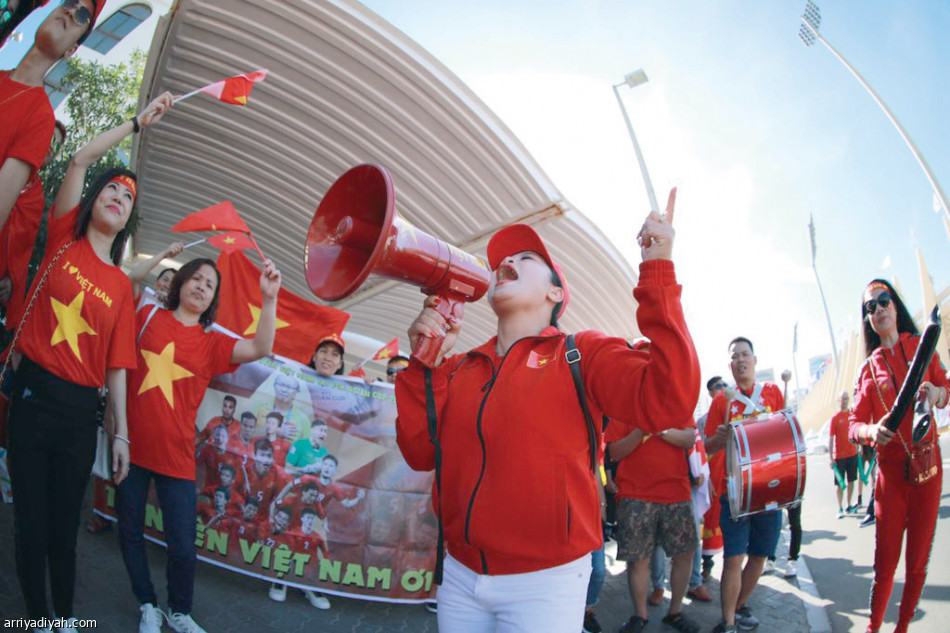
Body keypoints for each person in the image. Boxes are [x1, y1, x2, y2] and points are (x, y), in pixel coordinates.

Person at [395, 209, 699, 633]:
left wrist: (658, 270)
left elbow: (672, 400)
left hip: (546, 583)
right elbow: (419, 452)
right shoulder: (460, 366)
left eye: (528, 258)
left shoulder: (582, 354)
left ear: (556, 294)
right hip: (460, 575)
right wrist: (423, 365)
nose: (510, 262)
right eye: (506, 259)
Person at [5, 89, 172, 632]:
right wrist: (135, 124)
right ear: (95, 199)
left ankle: (64, 620)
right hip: (32, 397)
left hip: (80, 414)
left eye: (129, 198)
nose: (119, 197)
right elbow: (77, 159)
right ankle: (36, 621)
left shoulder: (121, 286)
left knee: (62, 530)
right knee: (30, 527)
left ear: (126, 223)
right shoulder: (63, 237)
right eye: (113, 189)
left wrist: (120, 434)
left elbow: (118, 365)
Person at [116, 255, 281, 633]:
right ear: (180, 283)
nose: (202, 286)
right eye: (196, 278)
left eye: (210, 284)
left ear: (212, 300)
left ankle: (179, 611)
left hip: (176, 458)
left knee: (183, 547)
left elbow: (260, 348)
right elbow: (125, 296)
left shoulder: (212, 343)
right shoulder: (148, 317)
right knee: (128, 531)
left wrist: (269, 298)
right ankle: (147, 604)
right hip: (130, 448)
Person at [848, 279, 948, 633]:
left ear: (895, 305)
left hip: (928, 472)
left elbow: (946, 389)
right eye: (870, 307)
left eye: (883, 300)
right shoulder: (868, 368)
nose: (878, 309)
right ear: (868, 320)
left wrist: (936, 392)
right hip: (890, 481)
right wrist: (871, 431)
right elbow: (854, 424)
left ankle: (902, 627)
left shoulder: (922, 346)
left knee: (918, 563)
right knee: (885, 565)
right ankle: (874, 628)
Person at [1, 0, 103, 235]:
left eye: (82, 16)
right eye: (69, 2)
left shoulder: (41, 119)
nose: (70, 11)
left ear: (71, 50)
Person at [705, 337, 785, 633]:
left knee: (760, 555)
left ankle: (738, 607)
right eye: (735, 356)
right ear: (730, 365)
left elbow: (786, 433)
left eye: (745, 355)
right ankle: (727, 623)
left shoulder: (774, 393)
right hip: (736, 491)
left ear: (754, 360)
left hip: (769, 488)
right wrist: (718, 439)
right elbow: (707, 447)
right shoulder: (721, 401)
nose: (741, 360)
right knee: (733, 557)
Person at [607, 399, 701, 633]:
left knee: (684, 554)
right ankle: (640, 616)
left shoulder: (677, 402)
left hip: (676, 492)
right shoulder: (623, 406)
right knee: (638, 560)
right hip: (634, 493)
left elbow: (689, 439)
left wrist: (660, 429)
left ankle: (675, 612)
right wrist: (641, 429)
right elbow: (615, 451)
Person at [0, 119, 65, 325]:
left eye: (56, 145)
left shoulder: (35, 196)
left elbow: (23, 248)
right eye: (47, 137)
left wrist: (11, 279)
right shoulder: (4, 161)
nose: (50, 147)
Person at [698, 377, 727, 582]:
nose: (723, 389)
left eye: (725, 385)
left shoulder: (736, 412)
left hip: (732, 475)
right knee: (712, 519)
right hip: (713, 477)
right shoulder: (703, 421)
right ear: (710, 393)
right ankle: (707, 566)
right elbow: (699, 452)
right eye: (718, 387)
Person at [829, 390, 859, 518]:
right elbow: (830, 439)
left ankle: (849, 505)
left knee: (851, 481)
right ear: (838, 401)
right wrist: (830, 457)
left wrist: (859, 449)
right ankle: (840, 508)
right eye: (842, 399)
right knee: (840, 484)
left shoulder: (853, 415)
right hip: (839, 457)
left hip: (852, 454)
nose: (845, 401)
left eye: (846, 398)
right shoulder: (835, 418)